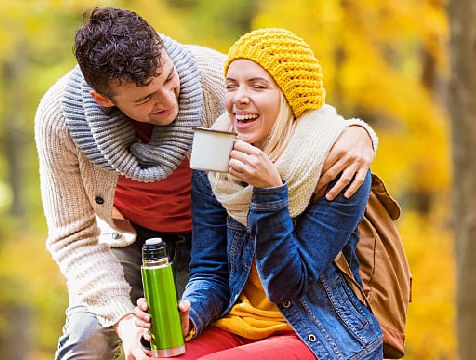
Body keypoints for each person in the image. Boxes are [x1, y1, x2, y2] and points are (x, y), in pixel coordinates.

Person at [34, 7, 378, 360]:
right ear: (104, 99)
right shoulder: (61, 120)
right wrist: (128, 321)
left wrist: (359, 133)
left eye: (169, 79)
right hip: (135, 238)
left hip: (258, 280)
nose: (169, 101)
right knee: (86, 342)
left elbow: (297, 103)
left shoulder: (212, 78)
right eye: (145, 98)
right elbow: (74, 237)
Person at [134, 28, 383, 359]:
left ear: (290, 98)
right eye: (232, 85)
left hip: (316, 334)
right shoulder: (214, 155)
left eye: (258, 85)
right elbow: (210, 271)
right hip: (236, 326)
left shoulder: (335, 164)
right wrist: (189, 316)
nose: (239, 98)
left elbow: (285, 286)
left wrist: (270, 193)